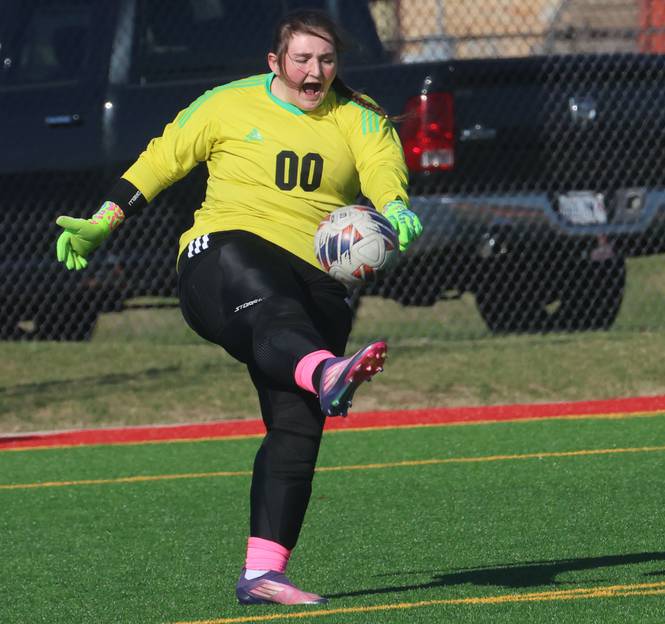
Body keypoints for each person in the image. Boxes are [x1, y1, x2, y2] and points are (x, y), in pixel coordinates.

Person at [53, 8, 422, 607]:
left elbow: (383, 170)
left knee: (298, 427)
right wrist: (104, 219)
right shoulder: (228, 103)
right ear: (275, 63)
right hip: (221, 259)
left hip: (318, 283)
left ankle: (263, 574)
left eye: (326, 60)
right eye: (301, 58)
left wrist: (396, 206)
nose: (314, 71)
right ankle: (327, 369)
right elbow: (163, 157)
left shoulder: (360, 117)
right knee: (275, 312)